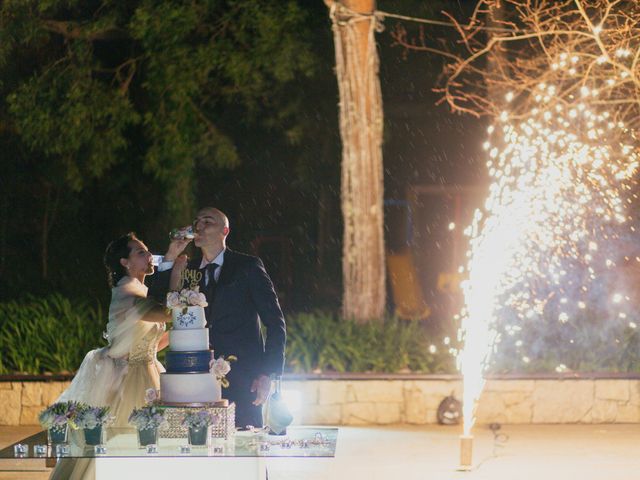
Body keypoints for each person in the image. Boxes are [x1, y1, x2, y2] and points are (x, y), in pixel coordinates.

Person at [50, 233, 184, 480]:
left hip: (149, 370)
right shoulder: (126, 292)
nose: (147, 255)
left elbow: (152, 341)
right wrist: (175, 271)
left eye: (146, 251)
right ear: (125, 262)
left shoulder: (141, 289)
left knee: (152, 442)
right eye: (140, 252)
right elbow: (167, 312)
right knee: (127, 440)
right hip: (128, 379)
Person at [149, 207, 286, 428]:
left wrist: (267, 373)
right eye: (196, 222)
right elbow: (157, 301)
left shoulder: (248, 267)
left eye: (207, 222)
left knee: (244, 445)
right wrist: (171, 255)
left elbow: (275, 323)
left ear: (225, 230)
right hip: (195, 375)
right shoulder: (187, 269)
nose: (199, 227)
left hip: (243, 376)